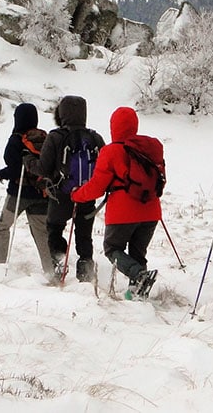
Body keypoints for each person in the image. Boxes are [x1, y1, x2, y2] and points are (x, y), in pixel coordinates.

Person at [71, 106, 164, 298]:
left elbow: (97, 186)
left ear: (114, 126)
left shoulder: (111, 151)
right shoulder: (150, 149)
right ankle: (137, 294)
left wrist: (77, 195)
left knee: (113, 248)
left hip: (123, 212)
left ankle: (139, 276)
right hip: (151, 211)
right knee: (138, 254)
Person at [24, 95, 105, 283]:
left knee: (54, 229)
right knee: (84, 235)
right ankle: (85, 272)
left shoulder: (55, 136)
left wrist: (28, 162)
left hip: (61, 194)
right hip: (86, 194)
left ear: (62, 113)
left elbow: (43, 168)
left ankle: (59, 263)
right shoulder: (94, 137)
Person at [0, 103, 53, 274]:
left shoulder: (16, 140)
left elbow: (14, 170)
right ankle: (51, 271)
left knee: (2, 227)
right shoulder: (44, 138)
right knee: (42, 234)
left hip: (18, 194)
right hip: (41, 194)